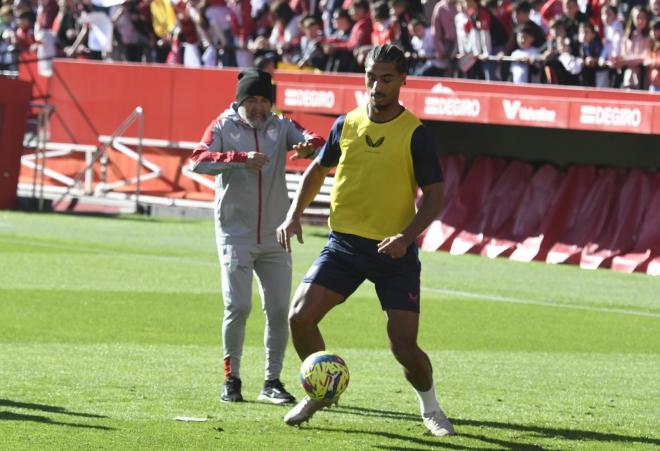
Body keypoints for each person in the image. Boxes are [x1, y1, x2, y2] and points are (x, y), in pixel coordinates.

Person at [276, 44, 454, 437]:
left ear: (403, 80)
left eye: (386, 79)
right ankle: (320, 390)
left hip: (395, 253)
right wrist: (293, 214)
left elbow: (436, 198)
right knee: (300, 318)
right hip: (344, 246)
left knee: (403, 347)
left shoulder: (416, 135)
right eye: (371, 77)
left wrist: (406, 237)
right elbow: (318, 171)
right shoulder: (347, 124)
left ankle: (431, 408)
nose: (377, 86)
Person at [188, 69, 325, 405]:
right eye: (252, 99)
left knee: (279, 310)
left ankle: (271, 381)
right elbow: (197, 160)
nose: (259, 106)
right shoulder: (223, 126)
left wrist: (309, 148)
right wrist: (239, 160)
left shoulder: (281, 125)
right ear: (240, 100)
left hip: (275, 232)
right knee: (238, 306)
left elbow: (319, 141)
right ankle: (231, 379)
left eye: (264, 99)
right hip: (235, 232)